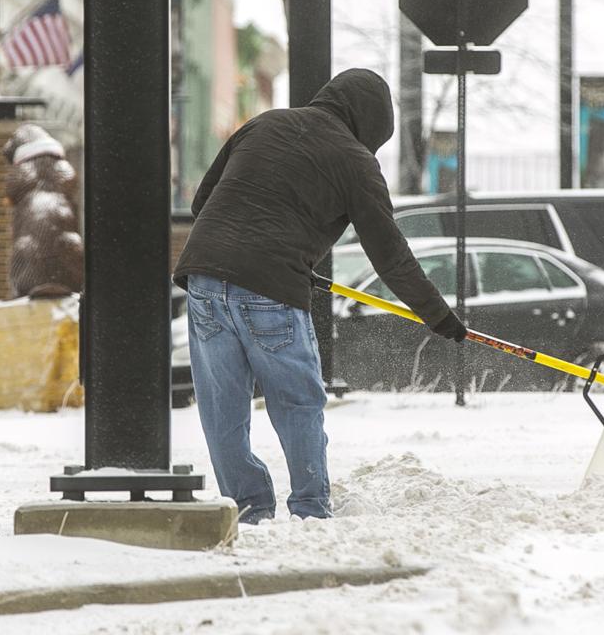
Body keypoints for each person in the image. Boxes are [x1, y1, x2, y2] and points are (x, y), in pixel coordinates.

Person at [173, 68, 466, 523]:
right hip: (271, 284)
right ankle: (309, 507)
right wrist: (439, 315)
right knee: (297, 402)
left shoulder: (264, 123)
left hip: (203, 276)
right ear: (370, 123)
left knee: (221, 406)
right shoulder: (354, 160)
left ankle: (249, 506)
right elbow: (390, 256)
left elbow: (201, 202)